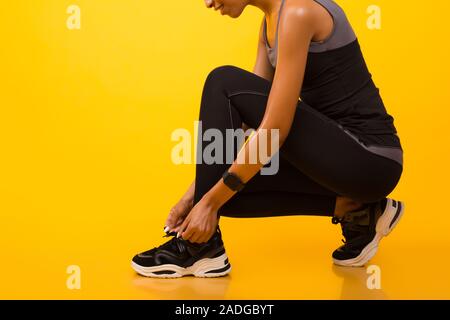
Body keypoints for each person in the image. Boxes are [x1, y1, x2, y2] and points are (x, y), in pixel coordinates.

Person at [131, 0, 405, 278]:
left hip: (370, 159)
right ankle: (361, 211)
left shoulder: (299, 13)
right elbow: (246, 125)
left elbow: (275, 129)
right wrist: (193, 199)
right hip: (339, 165)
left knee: (222, 82)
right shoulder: (269, 26)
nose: (208, 2)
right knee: (226, 186)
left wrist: (208, 202)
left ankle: (198, 246)